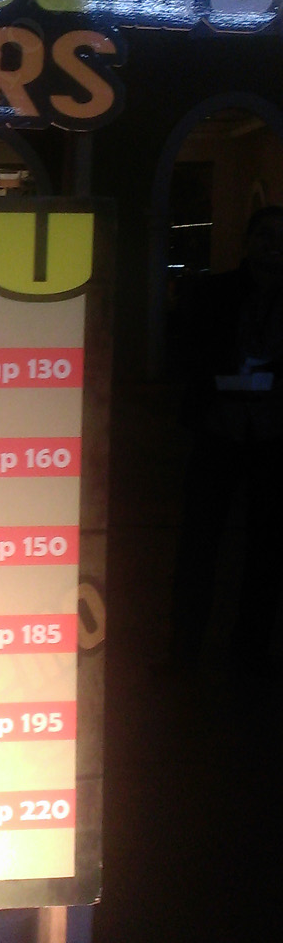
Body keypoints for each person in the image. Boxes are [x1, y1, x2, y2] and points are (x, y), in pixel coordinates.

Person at [168, 204, 283, 674]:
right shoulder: (214, 293)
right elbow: (186, 349)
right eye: (265, 235)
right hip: (219, 430)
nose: (273, 244)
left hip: (273, 436)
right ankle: (184, 650)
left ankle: (250, 652)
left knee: (267, 548)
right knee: (199, 544)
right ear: (248, 242)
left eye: (280, 236)